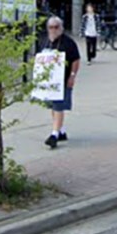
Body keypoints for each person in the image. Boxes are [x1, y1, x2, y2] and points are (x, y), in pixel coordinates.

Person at [39, 16, 81, 149]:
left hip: (62, 80)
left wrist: (72, 76)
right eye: (51, 27)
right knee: (53, 106)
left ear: (61, 28)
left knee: (58, 106)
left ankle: (54, 135)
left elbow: (76, 60)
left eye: (56, 27)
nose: (53, 30)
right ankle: (61, 131)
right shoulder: (45, 41)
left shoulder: (68, 42)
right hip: (49, 81)